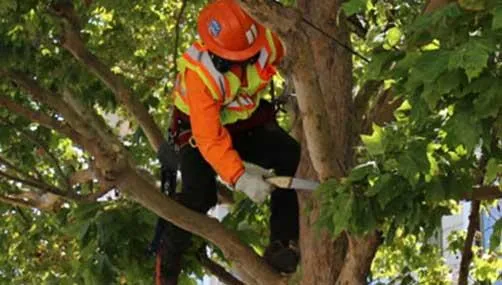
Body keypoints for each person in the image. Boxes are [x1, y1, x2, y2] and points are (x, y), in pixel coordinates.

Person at [156, 0, 300, 283]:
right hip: (197, 132)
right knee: (200, 195)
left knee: (289, 156)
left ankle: (281, 244)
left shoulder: (267, 38)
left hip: (243, 122)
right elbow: (209, 137)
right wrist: (240, 176)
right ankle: (167, 265)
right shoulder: (200, 76)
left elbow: (294, 51)